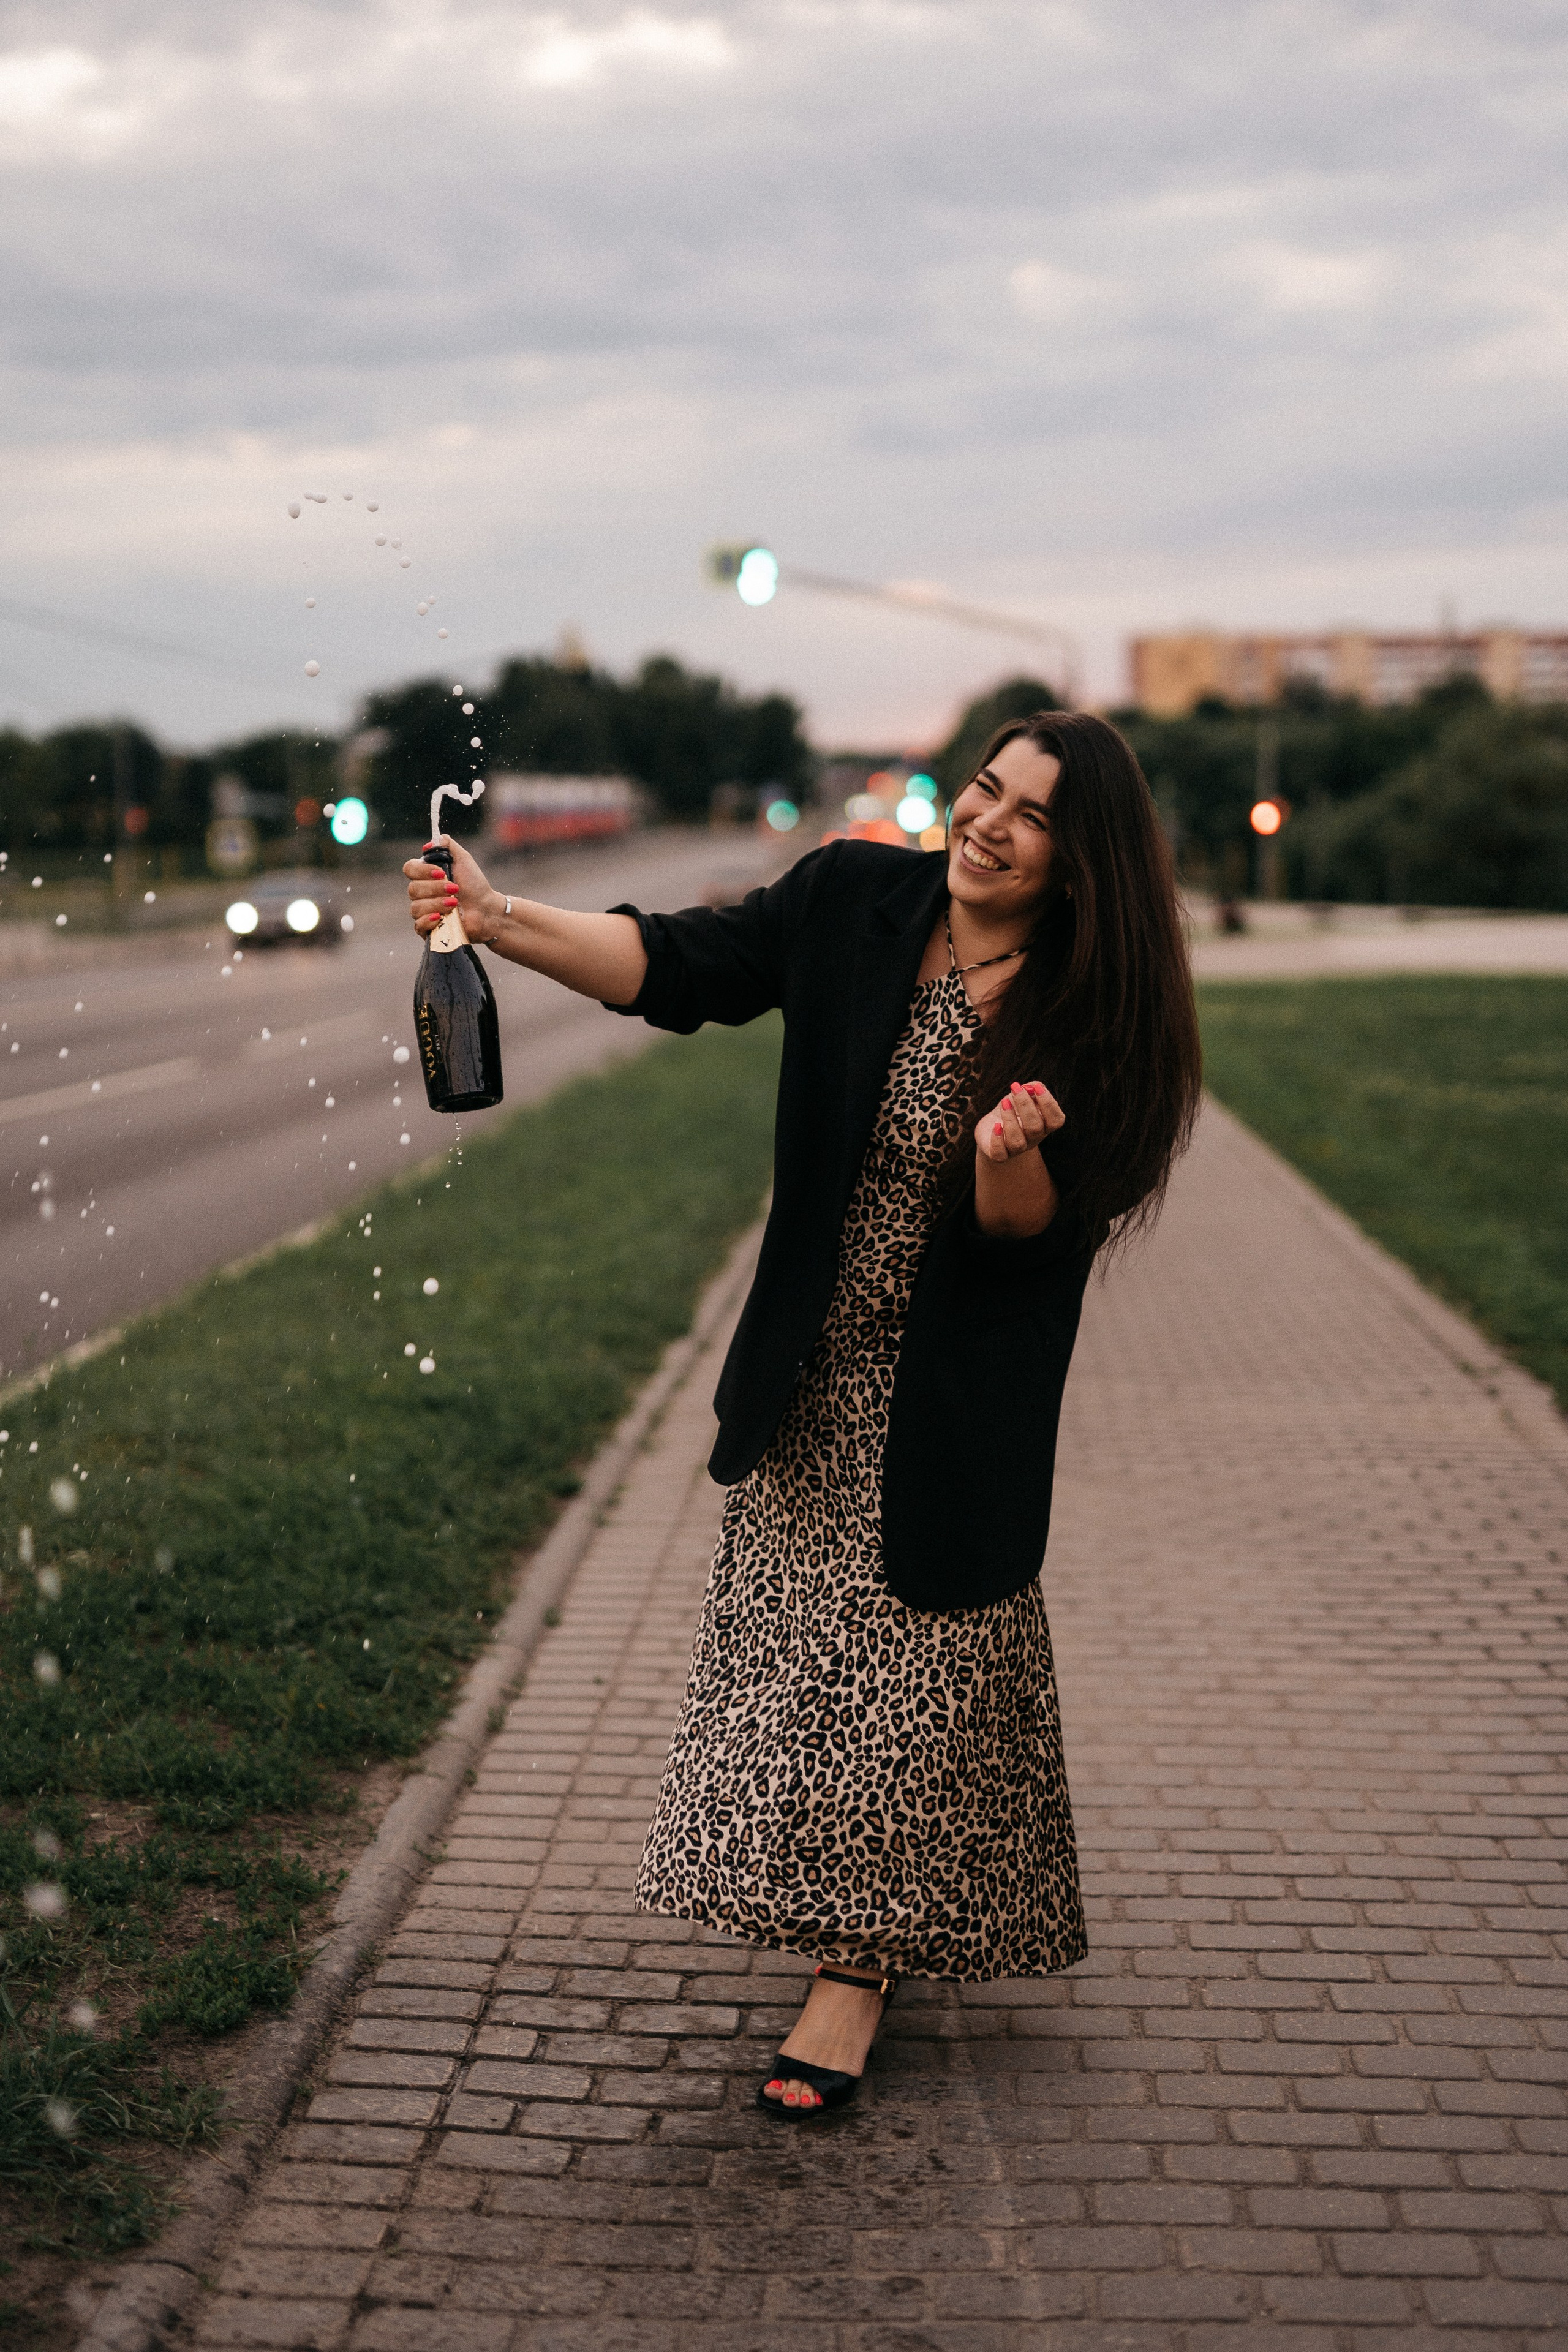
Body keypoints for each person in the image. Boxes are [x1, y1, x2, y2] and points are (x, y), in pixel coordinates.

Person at [406, 710, 1202, 2119]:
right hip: (813, 1367)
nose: (988, 822)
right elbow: (673, 962)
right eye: (984, 789)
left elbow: (1026, 1241)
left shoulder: (1090, 1010)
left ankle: (854, 1969)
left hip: (956, 1383)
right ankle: (881, 1907)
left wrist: (1008, 1155)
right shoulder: (853, 899)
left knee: (922, 1655)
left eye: (1030, 817)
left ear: (1080, 867)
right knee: (827, 1663)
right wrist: (497, 914)